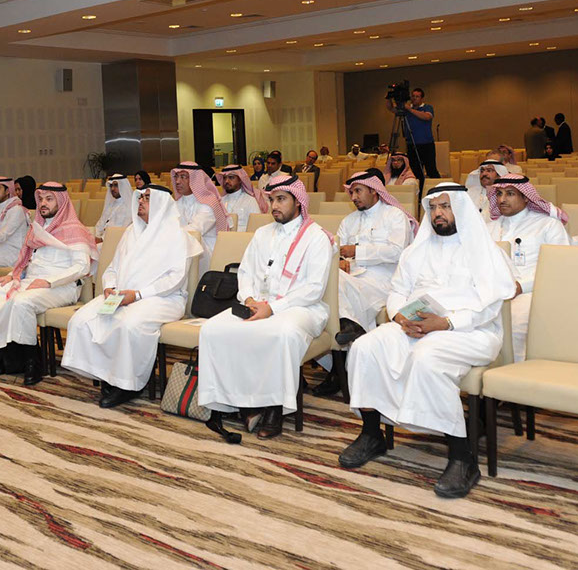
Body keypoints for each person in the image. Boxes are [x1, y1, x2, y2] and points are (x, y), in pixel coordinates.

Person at [340, 184, 516, 499]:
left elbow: (490, 307)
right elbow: (397, 291)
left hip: (470, 332)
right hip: (415, 327)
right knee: (365, 347)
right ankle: (371, 433)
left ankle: (462, 457)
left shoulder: (485, 251)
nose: (438, 214)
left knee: (428, 358)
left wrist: (447, 323)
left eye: (445, 207)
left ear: (460, 209)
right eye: (433, 208)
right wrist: (399, 317)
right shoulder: (416, 251)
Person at [198, 174, 335, 441]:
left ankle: (274, 408)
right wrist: (249, 299)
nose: (274, 206)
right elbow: (245, 272)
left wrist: (272, 308)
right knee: (213, 329)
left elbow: (313, 289)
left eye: (281, 199)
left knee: (279, 333)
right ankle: (234, 402)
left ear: (298, 202)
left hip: (301, 307)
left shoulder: (316, 237)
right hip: (257, 304)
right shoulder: (262, 234)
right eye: (271, 200)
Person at [61, 185, 201, 407]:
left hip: (163, 299)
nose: (141, 202)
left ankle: (127, 385)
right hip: (123, 295)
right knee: (81, 319)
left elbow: (174, 281)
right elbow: (113, 267)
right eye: (141, 197)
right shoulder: (130, 232)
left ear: (161, 204)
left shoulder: (178, 237)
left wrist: (137, 295)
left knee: (128, 324)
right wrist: (109, 287)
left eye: (147, 198)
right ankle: (106, 374)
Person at [0, 183, 96, 385]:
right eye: (41, 199)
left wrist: (49, 282)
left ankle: (32, 361)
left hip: (62, 286)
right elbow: (27, 260)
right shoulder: (37, 228)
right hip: (30, 281)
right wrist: (12, 275)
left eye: (49, 199)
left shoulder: (74, 229)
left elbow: (82, 267)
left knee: (21, 303)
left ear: (61, 202)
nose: (43, 203)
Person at [313, 170, 418, 396]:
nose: (353, 197)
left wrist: (356, 252)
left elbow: (397, 251)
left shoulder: (394, 216)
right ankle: (347, 337)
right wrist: (340, 261)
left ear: (374, 190)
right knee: (328, 281)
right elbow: (335, 250)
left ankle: (341, 365)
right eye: (351, 192)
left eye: (358, 191)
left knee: (335, 292)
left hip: (382, 280)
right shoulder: (349, 221)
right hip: (350, 277)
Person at [485, 175, 571, 362]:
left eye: (510, 194)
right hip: (491, 292)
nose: (502, 199)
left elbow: (559, 267)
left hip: (532, 292)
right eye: (499, 194)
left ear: (526, 197)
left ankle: (515, 373)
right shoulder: (488, 228)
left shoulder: (548, 225)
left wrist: (520, 287)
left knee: (513, 326)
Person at [170, 162, 231, 274]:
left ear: (195, 180)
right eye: (176, 176)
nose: (177, 181)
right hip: (182, 247)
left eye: (183, 177)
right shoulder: (177, 203)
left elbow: (195, 230)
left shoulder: (209, 203)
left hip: (207, 253)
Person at [386, 87, 440, 179]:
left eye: (417, 96)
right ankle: (419, 187)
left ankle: (435, 186)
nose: (414, 98)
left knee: (431, 169)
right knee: (416, 171)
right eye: (413, 96)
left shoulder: (427, 107)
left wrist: (410, 109)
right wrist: (389, 98)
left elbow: (427, 117)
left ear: (422, 98)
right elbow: (391, 108)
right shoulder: (406, 109)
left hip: (426, 144)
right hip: (411, 144)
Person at [218, 164, 266, 232]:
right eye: (225, 178)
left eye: (231, 177)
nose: (226, 181)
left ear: (240, 179)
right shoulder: (221, 201)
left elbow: (257, 227)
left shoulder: (250, 201)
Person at [95, 173, 133, 241]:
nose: (112, 189)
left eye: (116, 185)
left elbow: (122, 231)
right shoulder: (110, 204)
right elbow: (101, 223)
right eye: (111, 186)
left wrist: (102, 239)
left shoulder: (129, 207)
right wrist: (96, 235)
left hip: (114, 241)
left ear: (123, 186)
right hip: (102, 238)